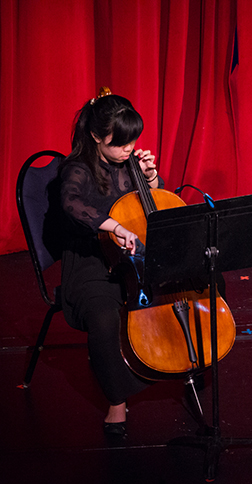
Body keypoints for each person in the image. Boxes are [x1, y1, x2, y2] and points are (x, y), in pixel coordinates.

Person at [58, 88, 162, 435]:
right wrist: (112, 225)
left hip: (133, 256)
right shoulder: (78, 168)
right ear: (96, 136)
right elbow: (71, 203)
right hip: (91, 260)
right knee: (104, 318)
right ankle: (117, 400)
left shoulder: (129, 163)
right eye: (120, 143)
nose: (129, 150)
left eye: (133, 141)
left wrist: (149, 179)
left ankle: (175, 365)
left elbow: (155, 208)